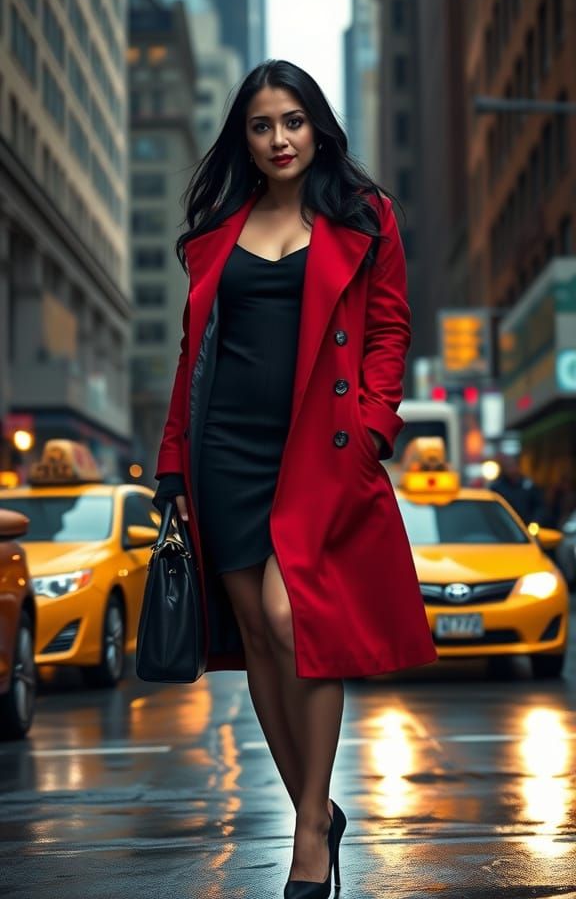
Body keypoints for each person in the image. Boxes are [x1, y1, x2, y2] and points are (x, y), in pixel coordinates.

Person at [152, 59, 436, 898]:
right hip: (225, 451)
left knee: (292, 614)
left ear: (318, 128)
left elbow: (390, 327)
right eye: (262, 125)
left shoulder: (364, 216)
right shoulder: (216, 230)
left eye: (293, 122)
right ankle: (314, 811)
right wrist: (173, 463)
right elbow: (190, 359)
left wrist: (375, 427)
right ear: (244, 136)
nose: (279, 139)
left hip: (320, 447)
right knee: (259, 636)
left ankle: (311, 829)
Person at [491, 454, 548, 527]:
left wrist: (535, 521)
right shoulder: (497, 487)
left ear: (518, 466)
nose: (510, 469)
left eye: (512, 465)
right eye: (507, 466)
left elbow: (540, 506)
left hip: (526, 527)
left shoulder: (529, 485)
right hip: (504, 528)